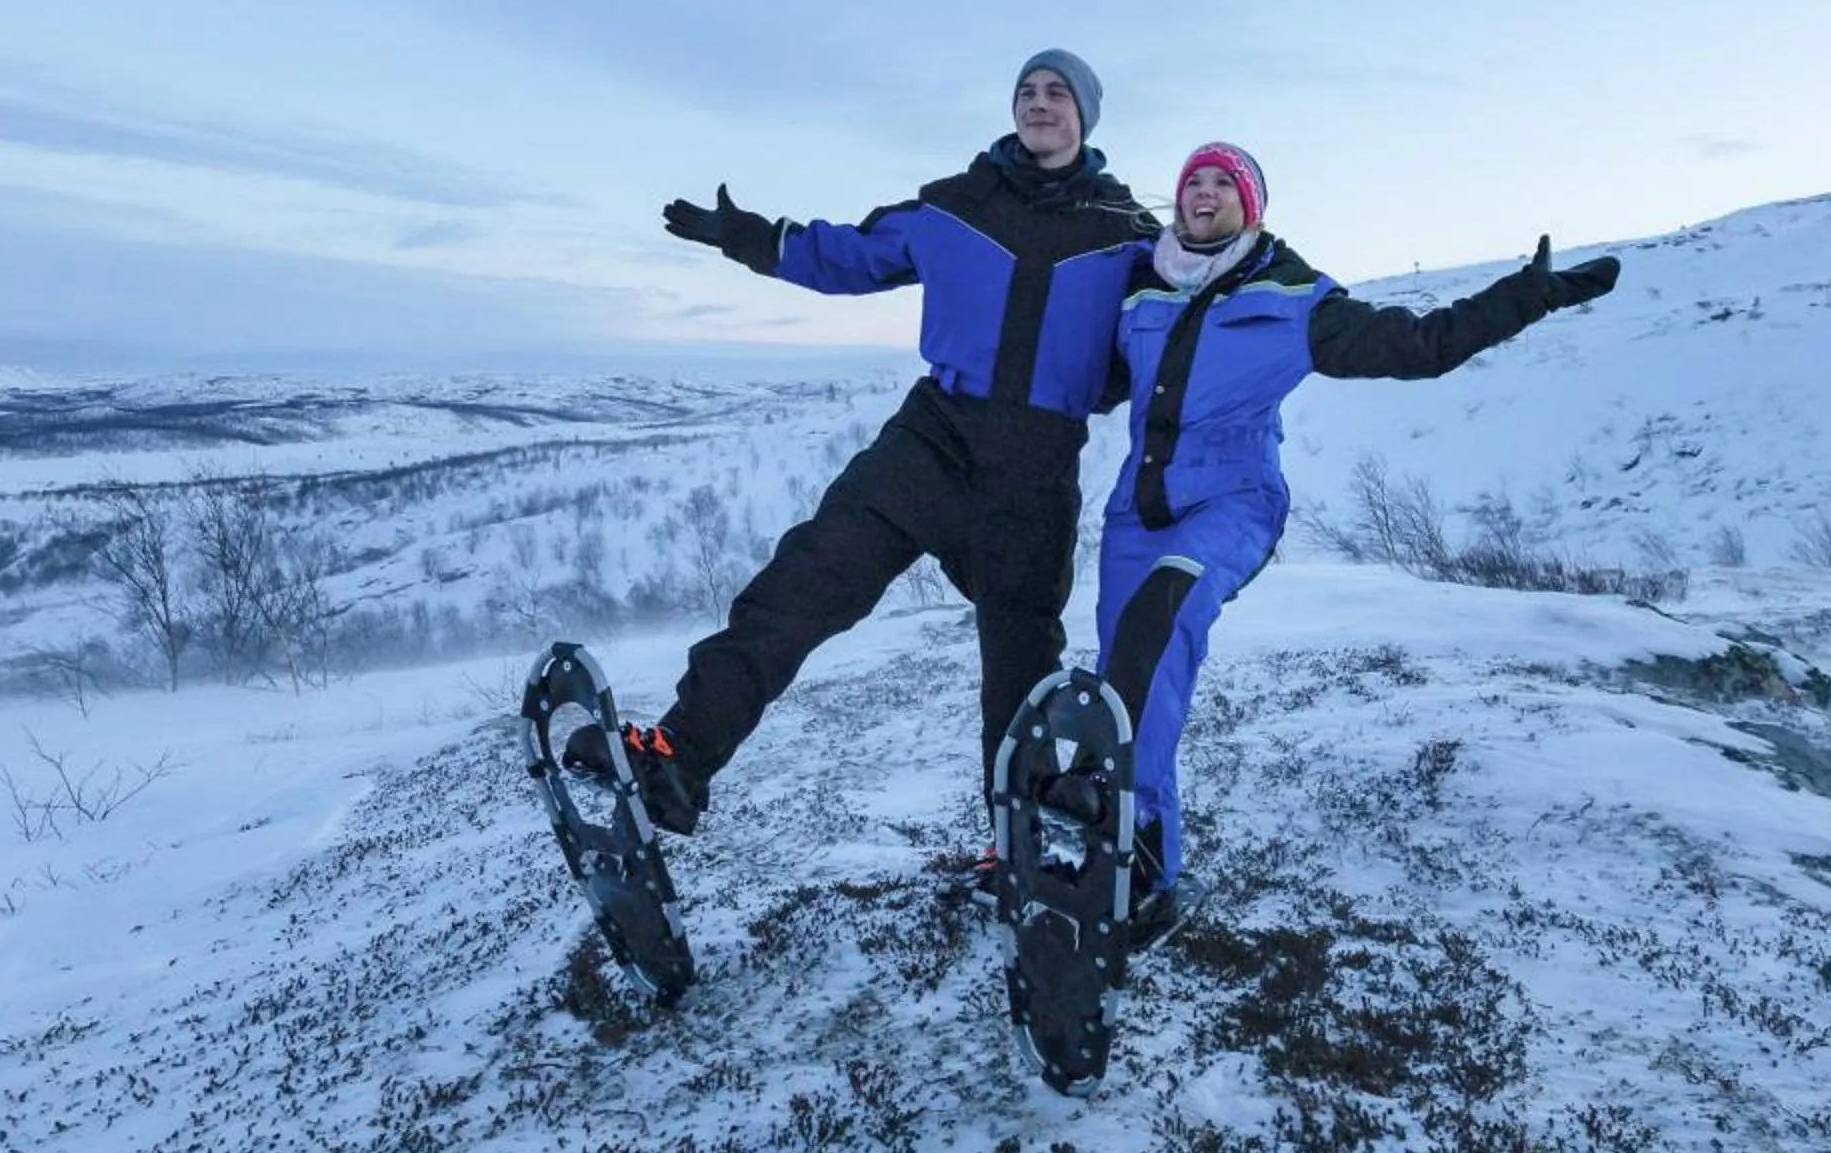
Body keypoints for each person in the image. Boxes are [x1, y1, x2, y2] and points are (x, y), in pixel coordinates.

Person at [573, 50, 1160, 833]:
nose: (1039, 104)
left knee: (1021, 659)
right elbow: (852, 254)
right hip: (932, 439)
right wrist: (756, 238)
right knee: (803, 583)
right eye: (1027, 91)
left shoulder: (1128, 236)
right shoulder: (954, 206)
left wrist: (1101, 383)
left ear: (1085, 116)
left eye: (1058, 94)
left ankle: (1019, 844)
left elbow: (1160, 334)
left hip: (1035, 463)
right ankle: (679, 755)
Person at [1081, 143, 1621, 938]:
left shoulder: (1294, 296)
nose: (1202, 193)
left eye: (1221, 184)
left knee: (1159, 623)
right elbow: (1085, 376)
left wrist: (1522, 299)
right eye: (1192, 181)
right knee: (1131, 678)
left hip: (1229, 503)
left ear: (1251, 205)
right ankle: (1130, 849)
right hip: (1137, 512)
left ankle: (1143, 864)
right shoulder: (1141, 284)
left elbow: (1419, 345)